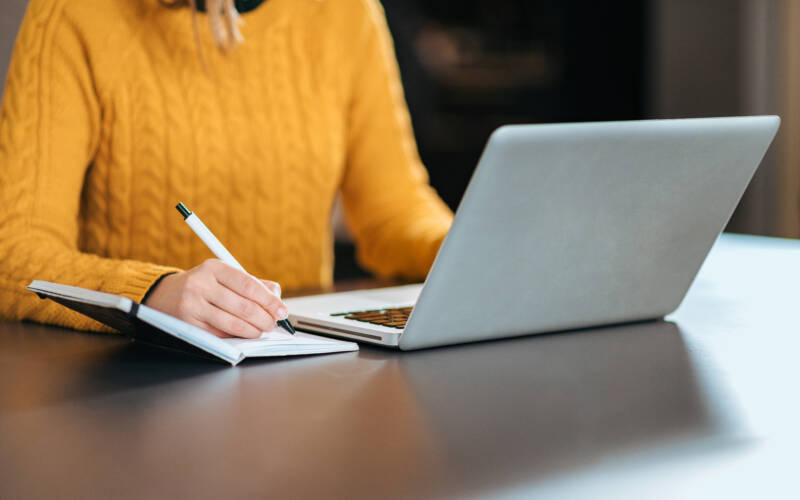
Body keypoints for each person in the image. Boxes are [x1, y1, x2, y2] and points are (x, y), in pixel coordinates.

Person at [0, 0, 453, 338]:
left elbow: (394, 212)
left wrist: (466, 250)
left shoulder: (345, 12)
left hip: (297, 365)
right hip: (130, 381)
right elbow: (15, 251)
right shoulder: (74, 14)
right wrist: (149, 294)